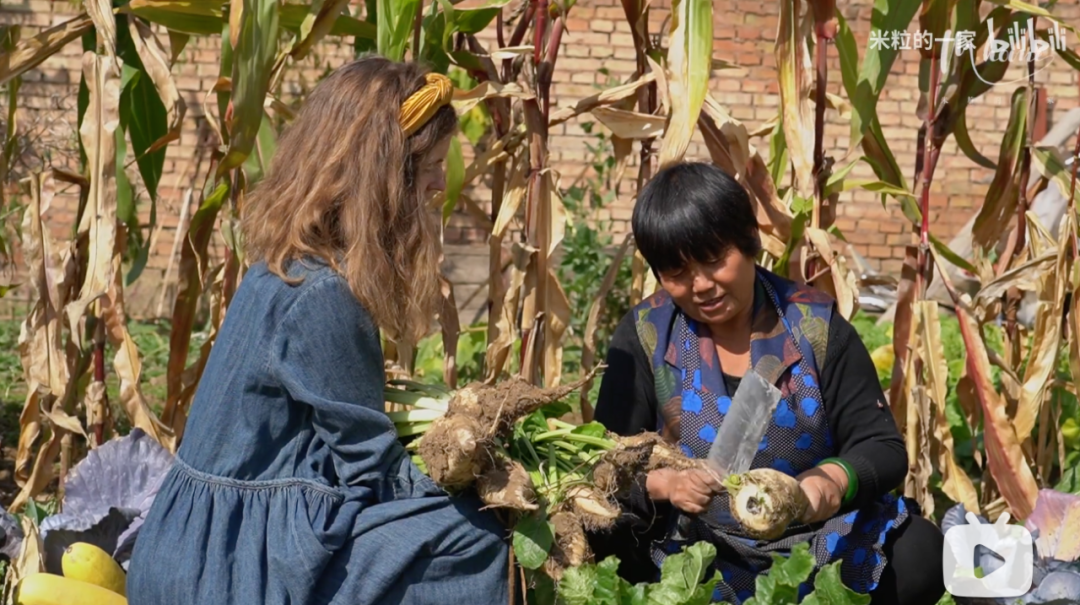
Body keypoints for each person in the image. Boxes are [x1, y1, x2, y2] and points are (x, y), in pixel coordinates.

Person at [127, 57, 509, 605]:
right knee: (474, 534)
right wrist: (482, 479)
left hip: (185, 543)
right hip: (226, 568)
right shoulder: (326, 294)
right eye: (430, 166)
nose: (435, 186)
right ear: (386, 174)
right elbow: (374, 471)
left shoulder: (280, 268)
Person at [588, 162, 945, 605]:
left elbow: (882, 447)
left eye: (715, 259)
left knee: (920, 553)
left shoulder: (814, 326)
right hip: (691, 549)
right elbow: (605, 464)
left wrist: (824, 486)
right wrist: (666, 485)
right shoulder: (646, 334)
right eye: (677, 272)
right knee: (603, 537)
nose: (701, 285)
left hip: (815, 540)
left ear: (749, 241)